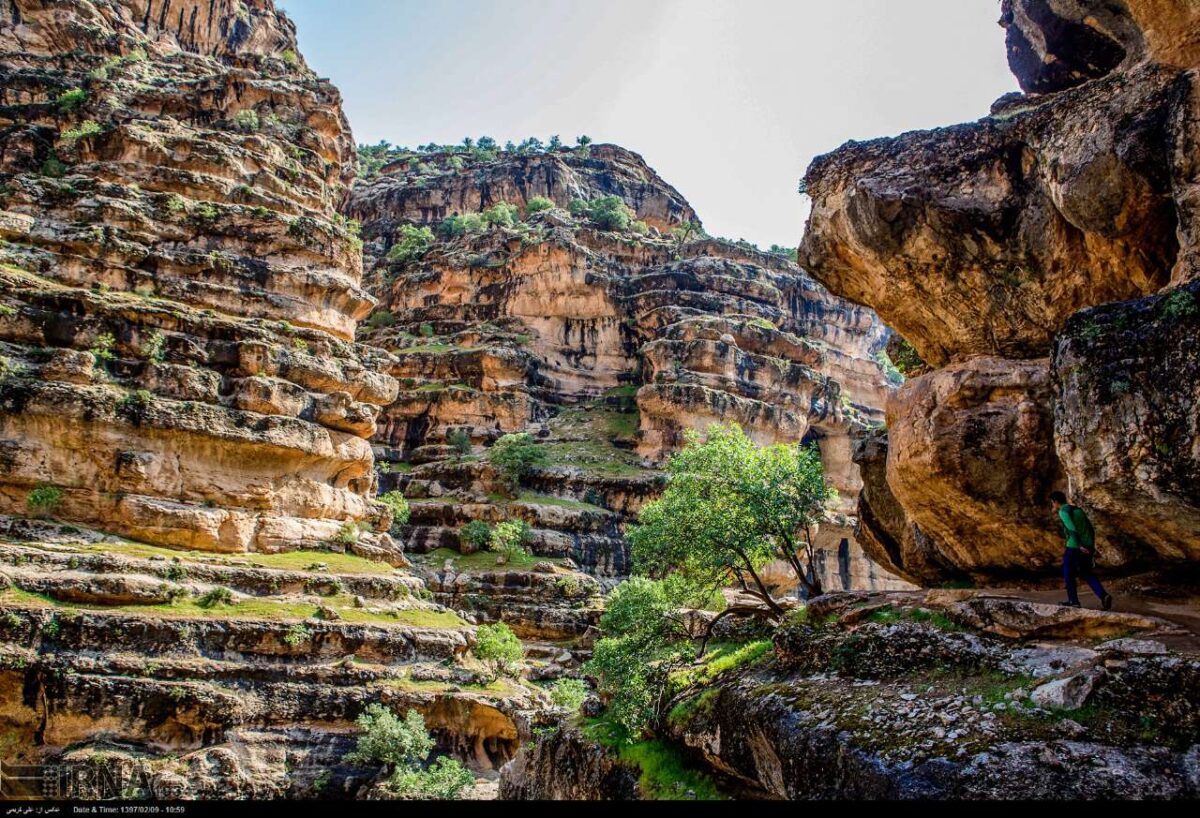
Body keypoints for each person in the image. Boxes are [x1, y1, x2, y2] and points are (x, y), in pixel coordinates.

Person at [1050, 491, 1113, 611]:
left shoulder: (1063, 511)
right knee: (1086, 572)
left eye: (1052, 503)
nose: (1053, 505)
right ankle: (1103, 595)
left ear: (1055, 502)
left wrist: (1079, 545)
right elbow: (1090, 528)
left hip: (1074, 546)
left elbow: (1071, 529)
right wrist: (1090, 545)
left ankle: (1073, 601)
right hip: (1087, 544)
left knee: (1067, 572)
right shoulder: (1077, 510)